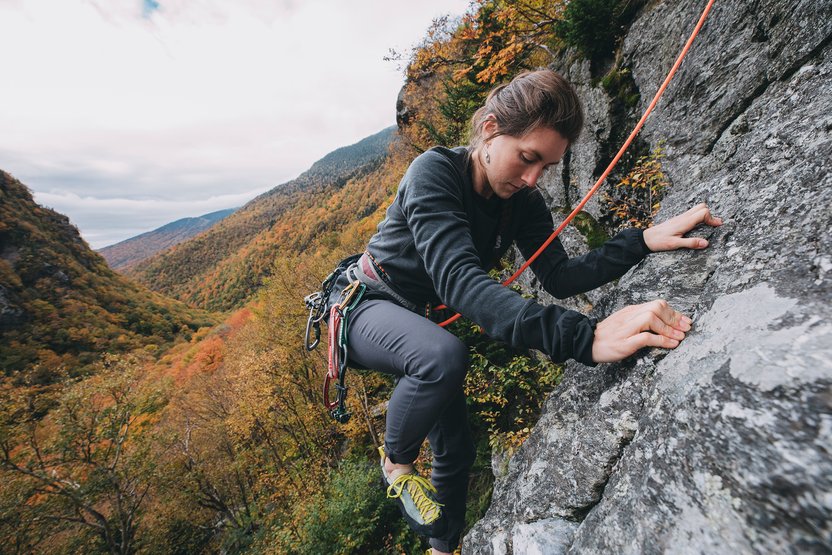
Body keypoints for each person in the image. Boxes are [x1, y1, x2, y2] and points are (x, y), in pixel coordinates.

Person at [328, 69, 722, 555]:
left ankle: (441, 548)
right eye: (527, 158)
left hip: (419, 320)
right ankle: (397, 462)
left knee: (458, 448)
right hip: (365, 305)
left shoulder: (522, 203)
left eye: (547, 167)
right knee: (442, 357)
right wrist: (585, 337)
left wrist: (640, 241)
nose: (532, 179)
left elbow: (559, 275)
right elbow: (459, 281)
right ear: (490, 130)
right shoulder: (434, 174)